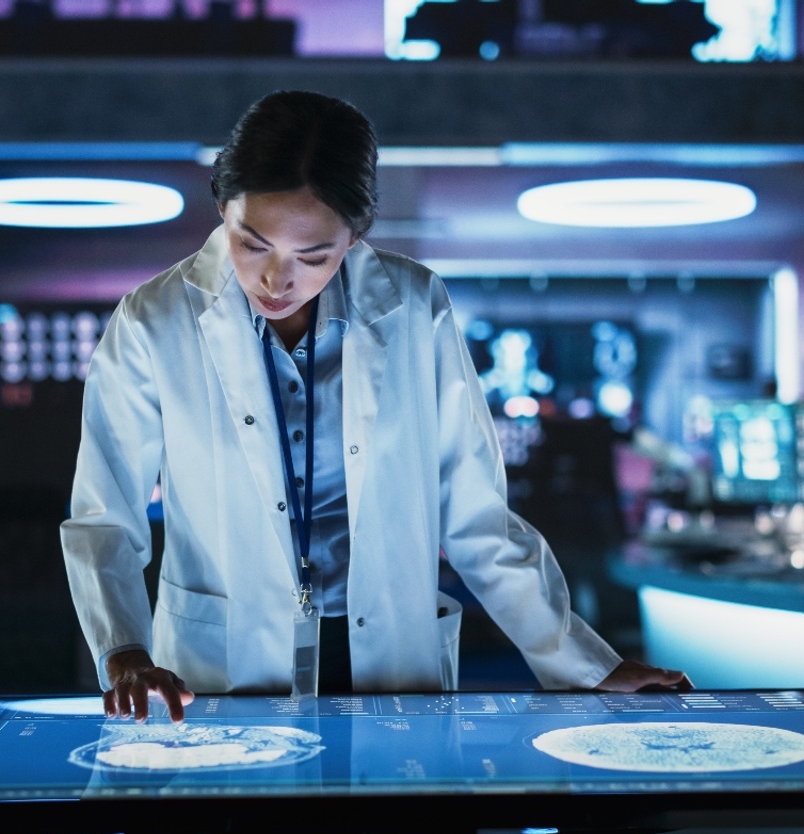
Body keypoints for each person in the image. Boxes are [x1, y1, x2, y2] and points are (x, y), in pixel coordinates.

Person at [61, 90, 691, 723]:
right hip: (220, 659)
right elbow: (106, 514)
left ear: (355, 236)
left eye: (313, 256)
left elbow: (474, 513)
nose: (277, 281)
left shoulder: (415, 307)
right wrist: (125, 649)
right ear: (223, 207)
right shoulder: (153, 321)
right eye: (252, 244)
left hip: (388, 649)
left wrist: (588, 665)